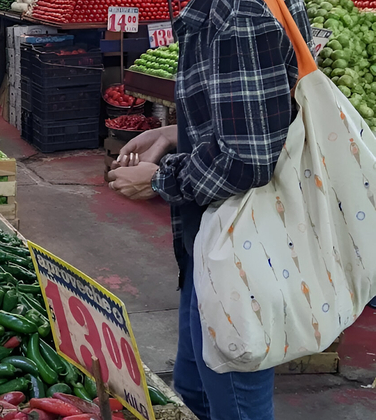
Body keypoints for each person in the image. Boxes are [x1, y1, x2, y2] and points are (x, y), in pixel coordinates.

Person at [106, 0, 313, 419]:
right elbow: (261, 114)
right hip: (214, 237)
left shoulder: (237, 15)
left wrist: (159, 179)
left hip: (242, 243)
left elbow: (249, 161)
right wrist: (173, 133)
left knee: (235, 402)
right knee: (195, 389)